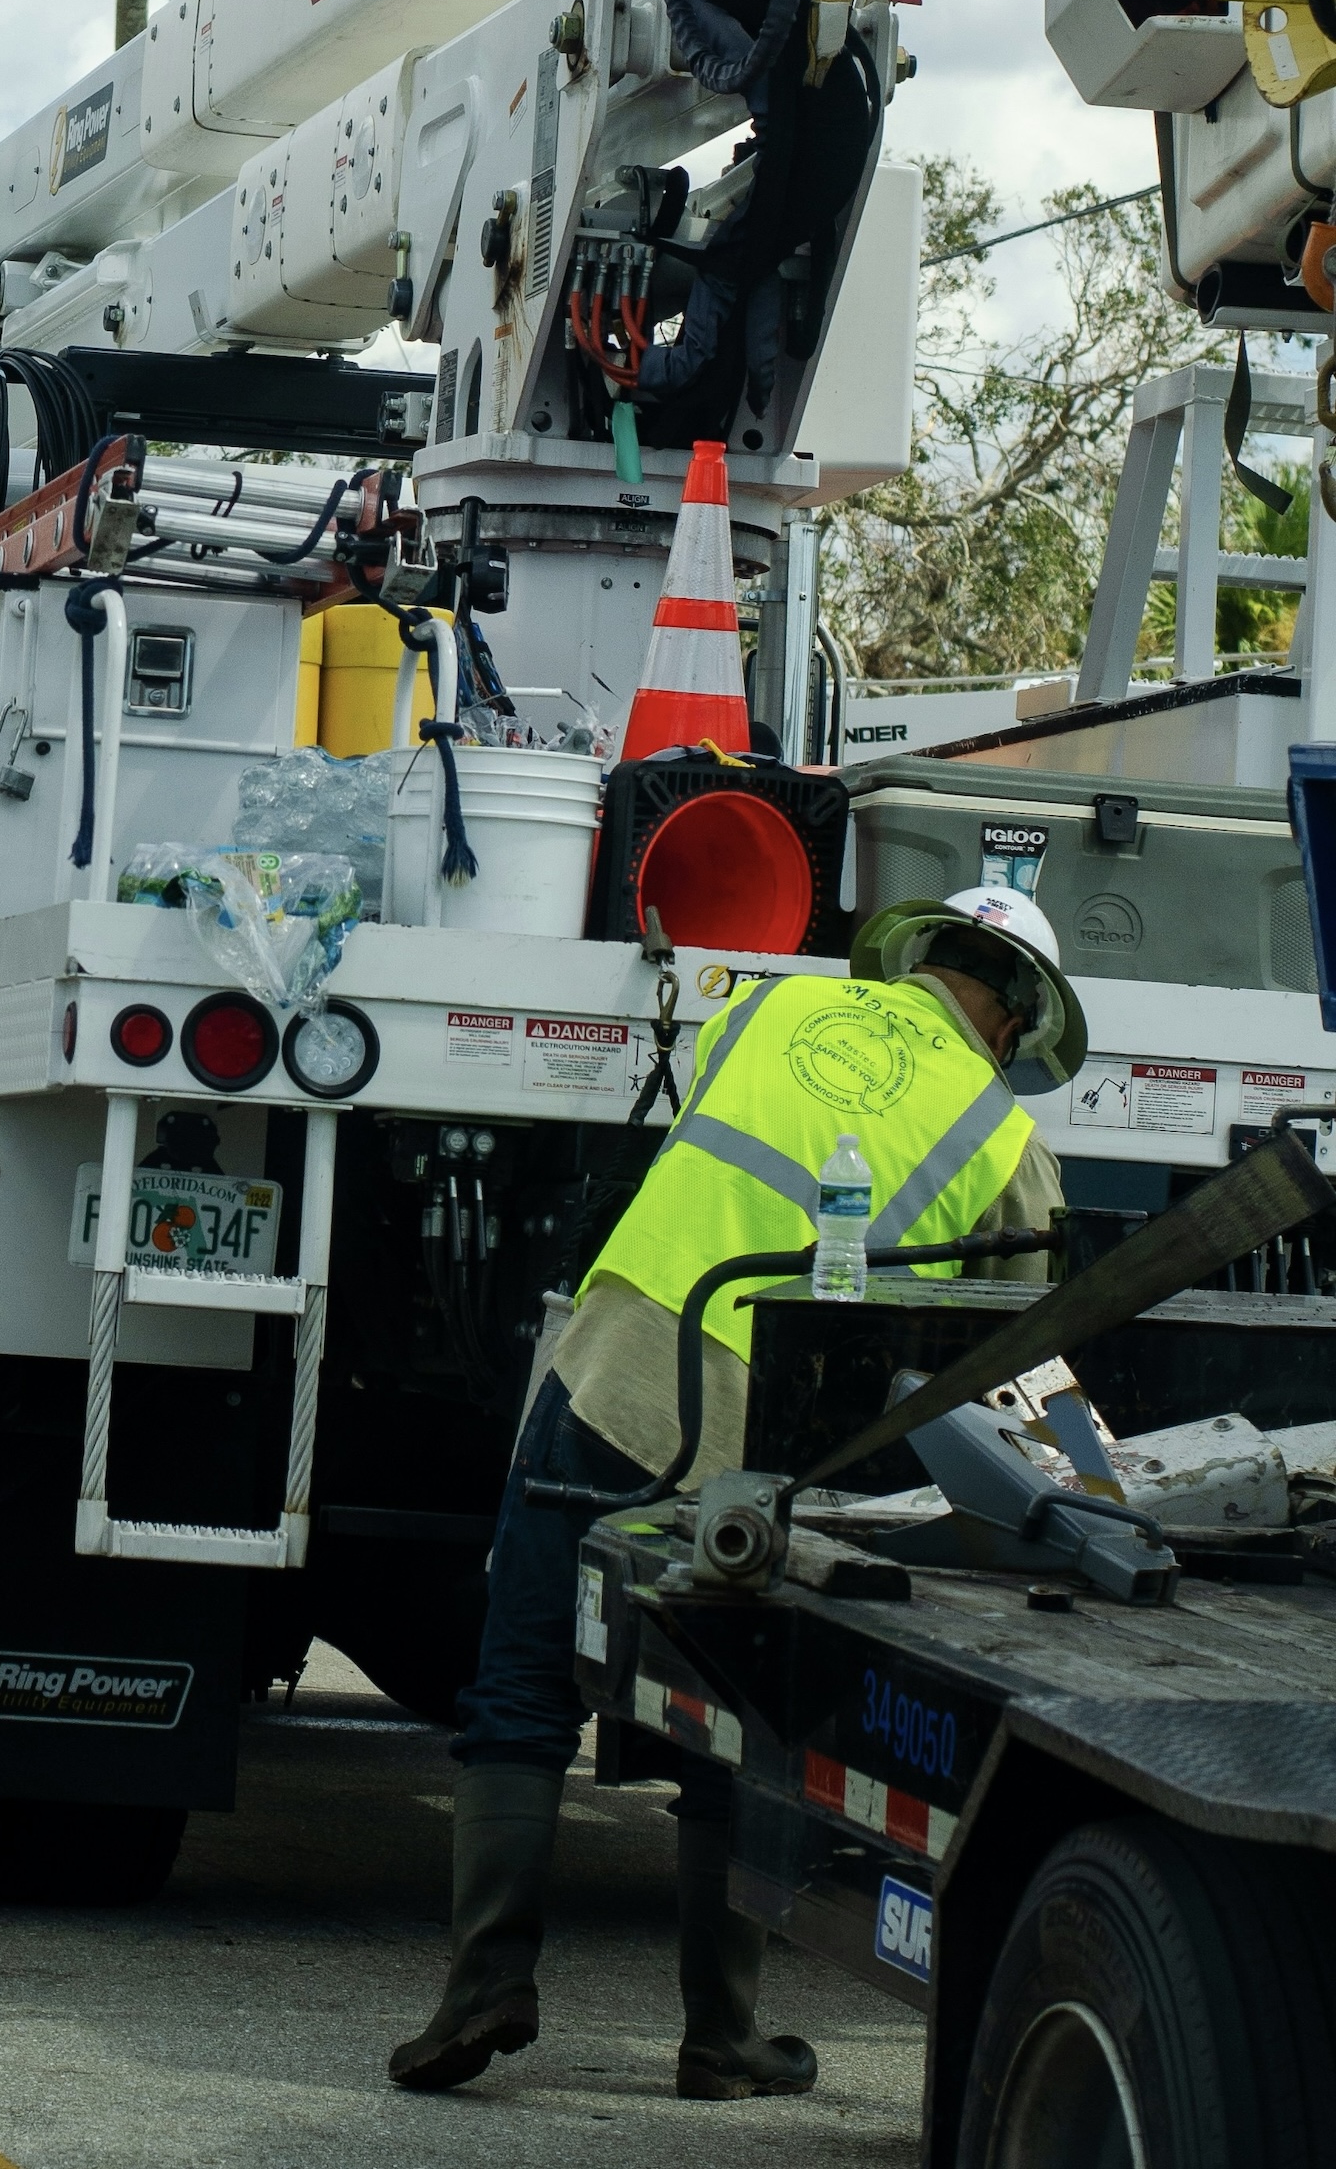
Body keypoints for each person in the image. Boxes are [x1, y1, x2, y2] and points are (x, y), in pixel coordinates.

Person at [389, 887, 1086, 2102]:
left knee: (519, 1691)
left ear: (917, 960)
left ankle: (482, 1987)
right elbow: (1010, 1349)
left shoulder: (776, 1008)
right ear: (1018, 1014)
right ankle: (723, 2038)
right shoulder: (1008, 1140)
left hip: (615, 1368)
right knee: (737, 1731)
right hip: (769, 1438)